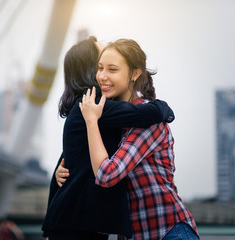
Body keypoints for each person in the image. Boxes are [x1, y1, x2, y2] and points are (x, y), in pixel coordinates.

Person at [59, 38, 199, 239]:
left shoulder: (145, 121)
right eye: (100, 68)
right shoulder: (105, 117)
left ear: (134, 74)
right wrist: (60, 169)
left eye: (112, 70)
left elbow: (107, 174)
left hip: (168, 231)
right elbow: (75, 154)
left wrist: (91, 121)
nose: (102, 76)